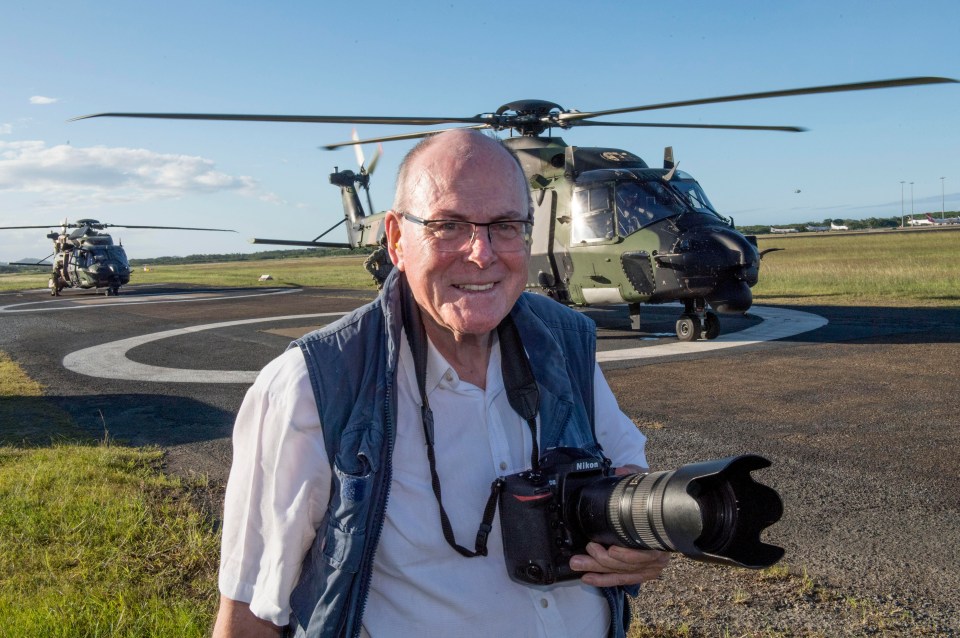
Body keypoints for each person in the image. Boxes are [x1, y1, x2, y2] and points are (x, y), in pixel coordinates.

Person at [213, 129, 670, 638]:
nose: (481, 254)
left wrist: (641, 538)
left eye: (504, 225)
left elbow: (628, 474)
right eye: (447, 225)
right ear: (395, 239)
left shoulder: (565, 343)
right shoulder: (312, 385)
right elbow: (250, 612)